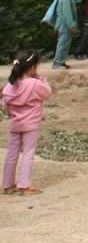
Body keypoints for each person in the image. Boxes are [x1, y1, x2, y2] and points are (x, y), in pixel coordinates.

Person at [2, 51, 53, 195]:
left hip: (15, 125)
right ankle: (24, 186)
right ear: (32, 67)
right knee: (28, 153)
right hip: (31, 125)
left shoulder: (10, 85)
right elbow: (47, 92)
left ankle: (7, 185)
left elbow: (4, 105)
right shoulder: (35, 84)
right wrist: (41, 79)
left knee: (12, 153)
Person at [42, 0, 82, 70]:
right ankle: (57, 63)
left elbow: (78, 0)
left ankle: (61, 62)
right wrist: (71, 26)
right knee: (62, 44)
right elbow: (67, 13)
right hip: (64, 25)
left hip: (64, 24)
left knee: (65, 44)